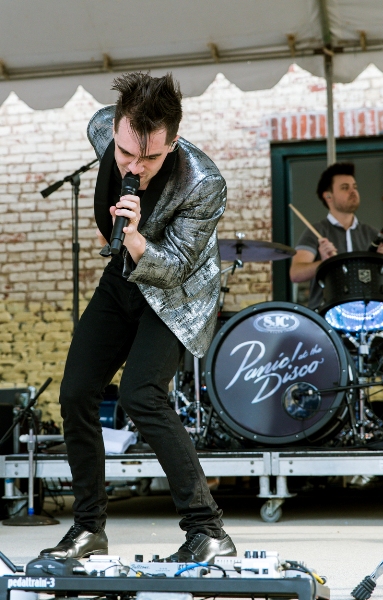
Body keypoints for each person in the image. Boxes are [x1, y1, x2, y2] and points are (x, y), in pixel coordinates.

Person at [39, 72, 236, 563]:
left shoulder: (204, 182)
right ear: (118, 129)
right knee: (76, 392)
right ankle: (88, 529)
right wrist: (123, 244)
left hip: (177, 292)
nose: (134, 165)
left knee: (141, 394)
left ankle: (207, 530)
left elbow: (173, 270)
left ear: (172, 141)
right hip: (122, 278)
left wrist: (137, 239)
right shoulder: (106, 130)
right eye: (126, 154)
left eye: (149, 157)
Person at [290, 162, 383, 309]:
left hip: (368, 312)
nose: (353, 191)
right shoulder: (316, 232)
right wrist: (324, 262)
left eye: (355, 187)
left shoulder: (372, 233)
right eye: (345, 188)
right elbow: (296, 274)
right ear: (328, 196)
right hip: (327, 312)